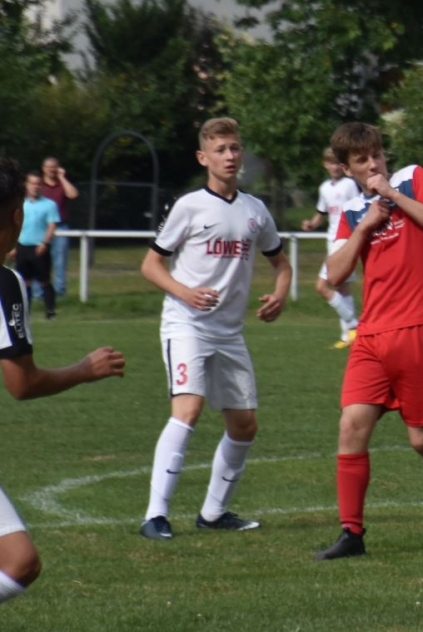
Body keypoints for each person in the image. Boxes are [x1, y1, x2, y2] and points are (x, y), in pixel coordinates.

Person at [315, 122, 423, 560]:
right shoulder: (352, 211)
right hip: (372, 334)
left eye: (377, 154)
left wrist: (393, 195)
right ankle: (351, 533)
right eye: (362, 159)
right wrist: (364, 227)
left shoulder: (412, 179)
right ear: (346, 168)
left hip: (421, 326)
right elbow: (334, 275)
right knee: (351, 426)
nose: (373, 163)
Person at [138, 117, 291, 541]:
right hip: (186, 324)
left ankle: (213, 513)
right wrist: (185, 293)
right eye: (220, 149)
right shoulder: (189, 206)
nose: (230, 156)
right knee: (188, 410)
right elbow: (151, 265)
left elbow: (281, 264)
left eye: (235, 148)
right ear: (203, 157)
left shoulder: (255, 210)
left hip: (229, 332)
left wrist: (280, 295)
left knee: (244, 425)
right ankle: (155, 515)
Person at [0, 157, 125, 606]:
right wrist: (84, 370)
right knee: (19, 562)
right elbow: (22, 383)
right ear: (18, 216)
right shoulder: (4, 285)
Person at [300, 147, 362, 349]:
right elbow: (322, 213)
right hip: (331, 242)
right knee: (342, 288)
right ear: (325, 164)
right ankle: (348, 336)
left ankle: (353, 325)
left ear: (342, 165)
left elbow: (358, 209)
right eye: (330, 163)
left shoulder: (349, 185)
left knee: (321, 286)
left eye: (337, 163)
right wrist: (311, 224)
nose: (334, 167)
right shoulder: (324, 188)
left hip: (344, 242)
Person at [13, 172, 59, 320]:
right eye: (32, 183)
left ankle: (50, 312)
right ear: (26, 185)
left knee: (44, 281)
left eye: (38, 183)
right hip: (23, 246)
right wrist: (13, 246)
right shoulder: (20, 204)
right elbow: (15, 225)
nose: (35, 186)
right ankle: (26, 312)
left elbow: (52, 225)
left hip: (40, 247)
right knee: (23, 281)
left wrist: (45, 243)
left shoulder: (49, 205)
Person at [39, 157, 79, 297]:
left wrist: (62, 177)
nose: (51, 169)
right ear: (43, 168)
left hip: (60, 227)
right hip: (41, 228)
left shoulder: (62, 184)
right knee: (39, 261)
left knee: (60, 261)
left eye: (54, 166)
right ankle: (39, 293)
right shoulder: (39, 185)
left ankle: (60, 292)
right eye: (48, 166)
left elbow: (73, 195)